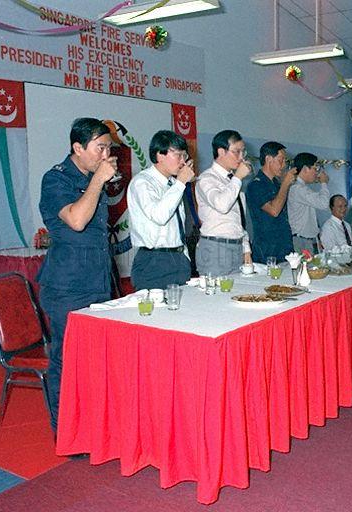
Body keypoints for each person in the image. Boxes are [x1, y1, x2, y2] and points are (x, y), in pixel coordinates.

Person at [37, 117, 117, 433]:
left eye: (109, 147)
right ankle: (66, 431)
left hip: (97, 281)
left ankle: (94, 424)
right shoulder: (55, 179)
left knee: (96, 361)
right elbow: (77, 221)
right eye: (100, 147)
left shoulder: (91, 176)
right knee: (66, 361)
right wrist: (99, 180)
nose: (106, 153)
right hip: (67, 286)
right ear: (77, 147)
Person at [127, 130, 195, 289]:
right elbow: (160, 216)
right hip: (153, 260)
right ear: (159, 155)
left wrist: (184, 256)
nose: (183, 162)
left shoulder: (173, 184)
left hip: (179, 258)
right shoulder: (142, 182)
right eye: (178, 155)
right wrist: (181, 182)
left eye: (185, 156)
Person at [195, 130, 252, 276]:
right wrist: (238, 177)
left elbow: (239, 218)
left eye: (243, 152)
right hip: (215, 247)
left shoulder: (233, 180)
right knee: (215, 297)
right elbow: (222, 205)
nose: (241, 157)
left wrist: (246, 249)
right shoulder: (206, 179)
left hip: (237, 246)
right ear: (221, 151)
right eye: (236, 152)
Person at [246, 141, 296, 263]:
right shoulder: (256, 185)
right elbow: (274, 211)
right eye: (281, 160)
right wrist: (285, 184)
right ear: (268, 159)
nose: (283, 165)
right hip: (267, 248)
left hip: (283, 244)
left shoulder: (276, 183)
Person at [288, 152, 330, 254]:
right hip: (301, 241)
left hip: (307, 239)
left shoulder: (302, 188)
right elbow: (323, 204)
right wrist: (324, 183)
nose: (316, 173)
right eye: (315, 169)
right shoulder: (298, 189)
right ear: (305, 168)